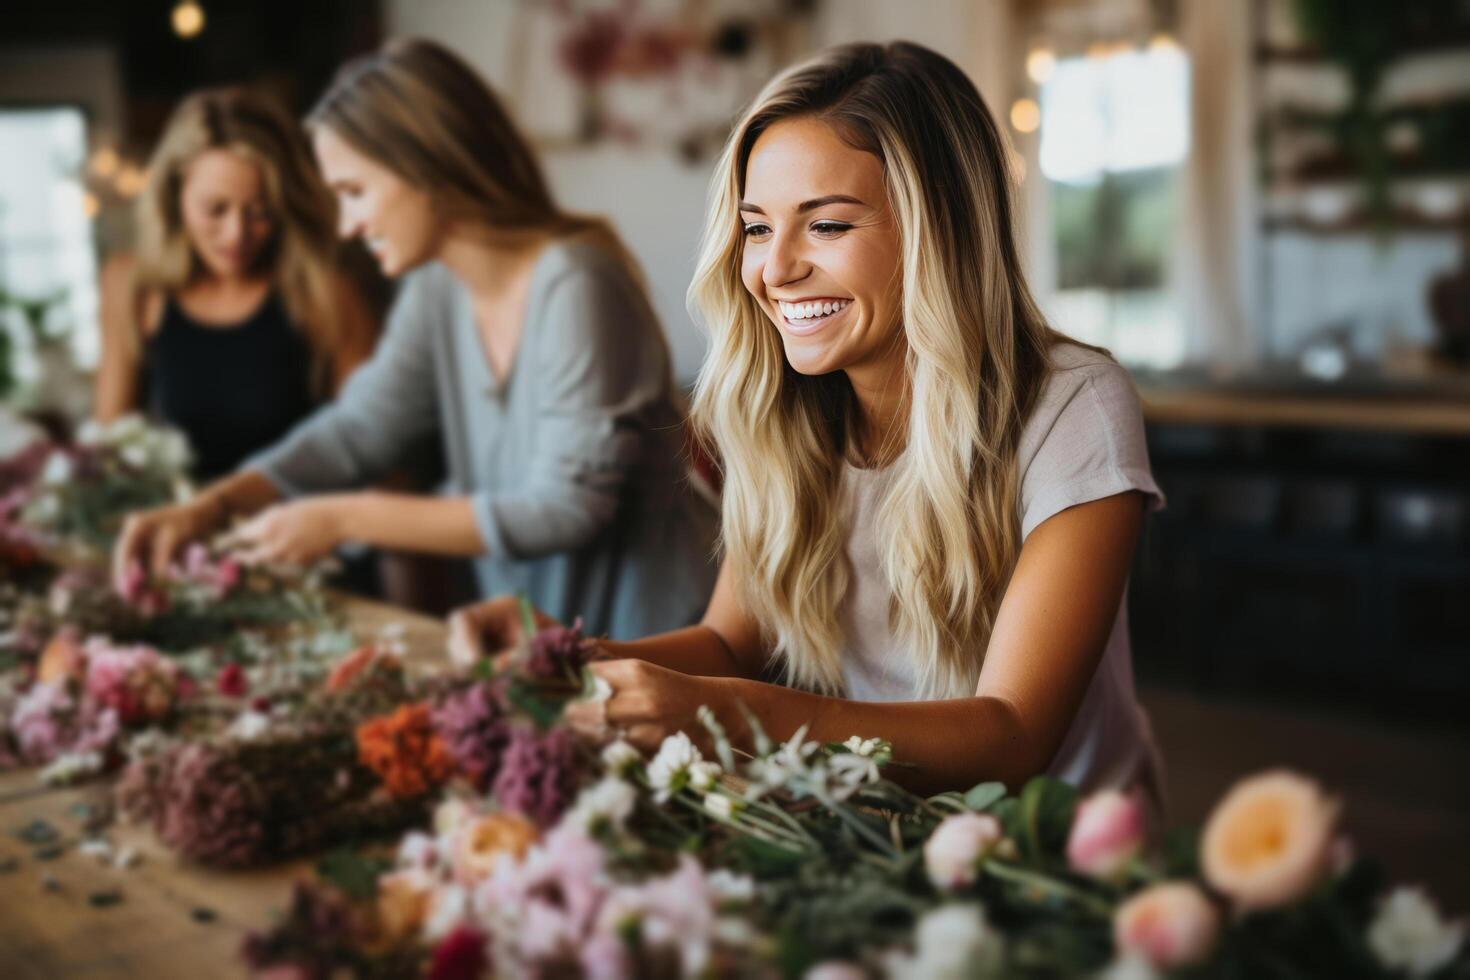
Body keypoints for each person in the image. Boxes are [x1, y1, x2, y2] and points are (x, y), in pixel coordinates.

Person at [454, 41, 1167, 806]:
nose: (774, 268)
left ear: (941, 231)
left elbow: (1013, 738)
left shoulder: (1074, 404)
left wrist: (730, 713)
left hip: (1055, 858)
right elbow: (732, 644)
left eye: (825, 226)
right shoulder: (786, 409)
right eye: (757, 228)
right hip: (867, 829)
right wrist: (567, 655)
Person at [113, 38, 718, 639]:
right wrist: (214, 506)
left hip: (660, 641)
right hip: (545, 642)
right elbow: (358, 430)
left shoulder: (576, 281)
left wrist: (342, 518)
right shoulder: (438, 287)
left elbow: (567, 508)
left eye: (354, 192)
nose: (348, 227)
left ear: (423, 166)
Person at [95, 87, 377, 480]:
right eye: (216, 210)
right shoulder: (133, 286)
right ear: (175, 195)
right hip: (179, 529)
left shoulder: (325, 291)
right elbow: (111, 447)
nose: (236, 235)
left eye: (260, 212)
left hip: (297, 527)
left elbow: (373, 444)